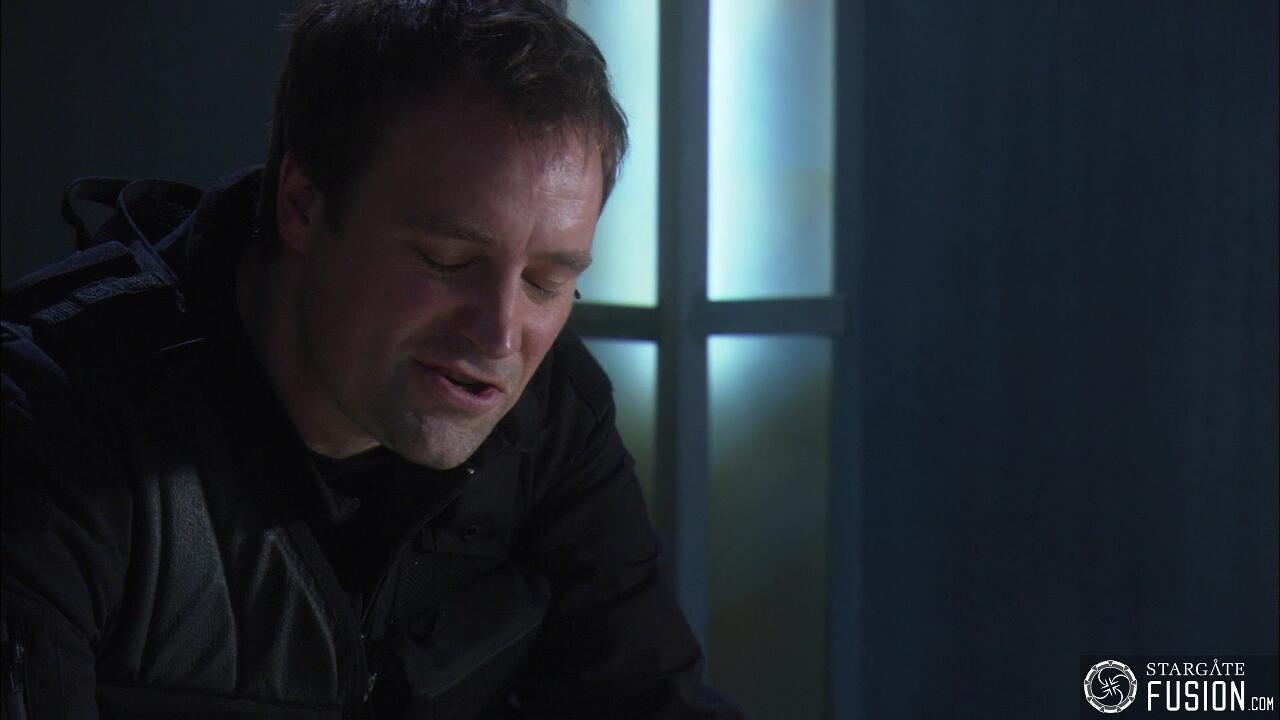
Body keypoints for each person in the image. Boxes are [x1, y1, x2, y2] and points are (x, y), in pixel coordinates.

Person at [0, 1, 742, 717]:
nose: (499, 335)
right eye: (446, 259)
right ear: (303, 202)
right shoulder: (51, 420)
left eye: (547, 282)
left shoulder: (552, 414)